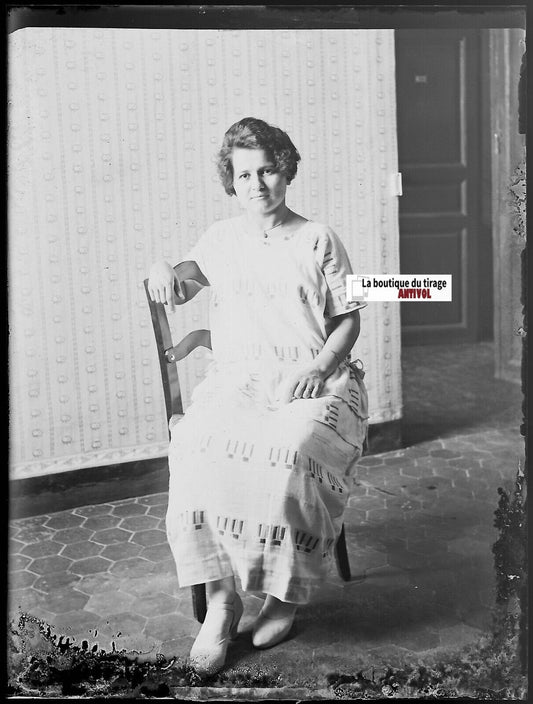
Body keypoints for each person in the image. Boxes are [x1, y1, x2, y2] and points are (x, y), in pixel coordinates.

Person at [147, 117, 368, 675]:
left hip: (315, 379)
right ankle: (222, 602)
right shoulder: (221, 239)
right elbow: (184, 278)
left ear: (286, 170)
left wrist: (319, 367)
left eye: (267, 169)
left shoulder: (318, 237)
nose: (257, 183)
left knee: (292, 451)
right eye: (244, 174)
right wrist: (160, 268)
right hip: (240, 379)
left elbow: (347, 321)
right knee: (197, 443)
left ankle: (284, 596)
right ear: (232, 180)